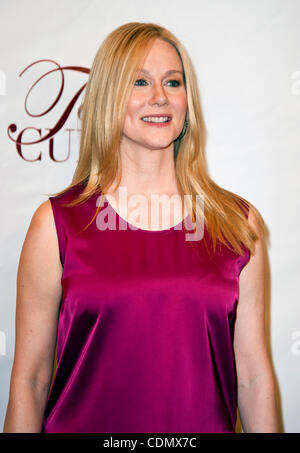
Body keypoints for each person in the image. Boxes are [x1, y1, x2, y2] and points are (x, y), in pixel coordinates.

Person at [3, 22, 279, 433]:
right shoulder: (58, 224)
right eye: (139, 81)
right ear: (108, 98)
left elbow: (254, 378)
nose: (160, 97)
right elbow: (31, 380)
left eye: (172, 81)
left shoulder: (236, 225)